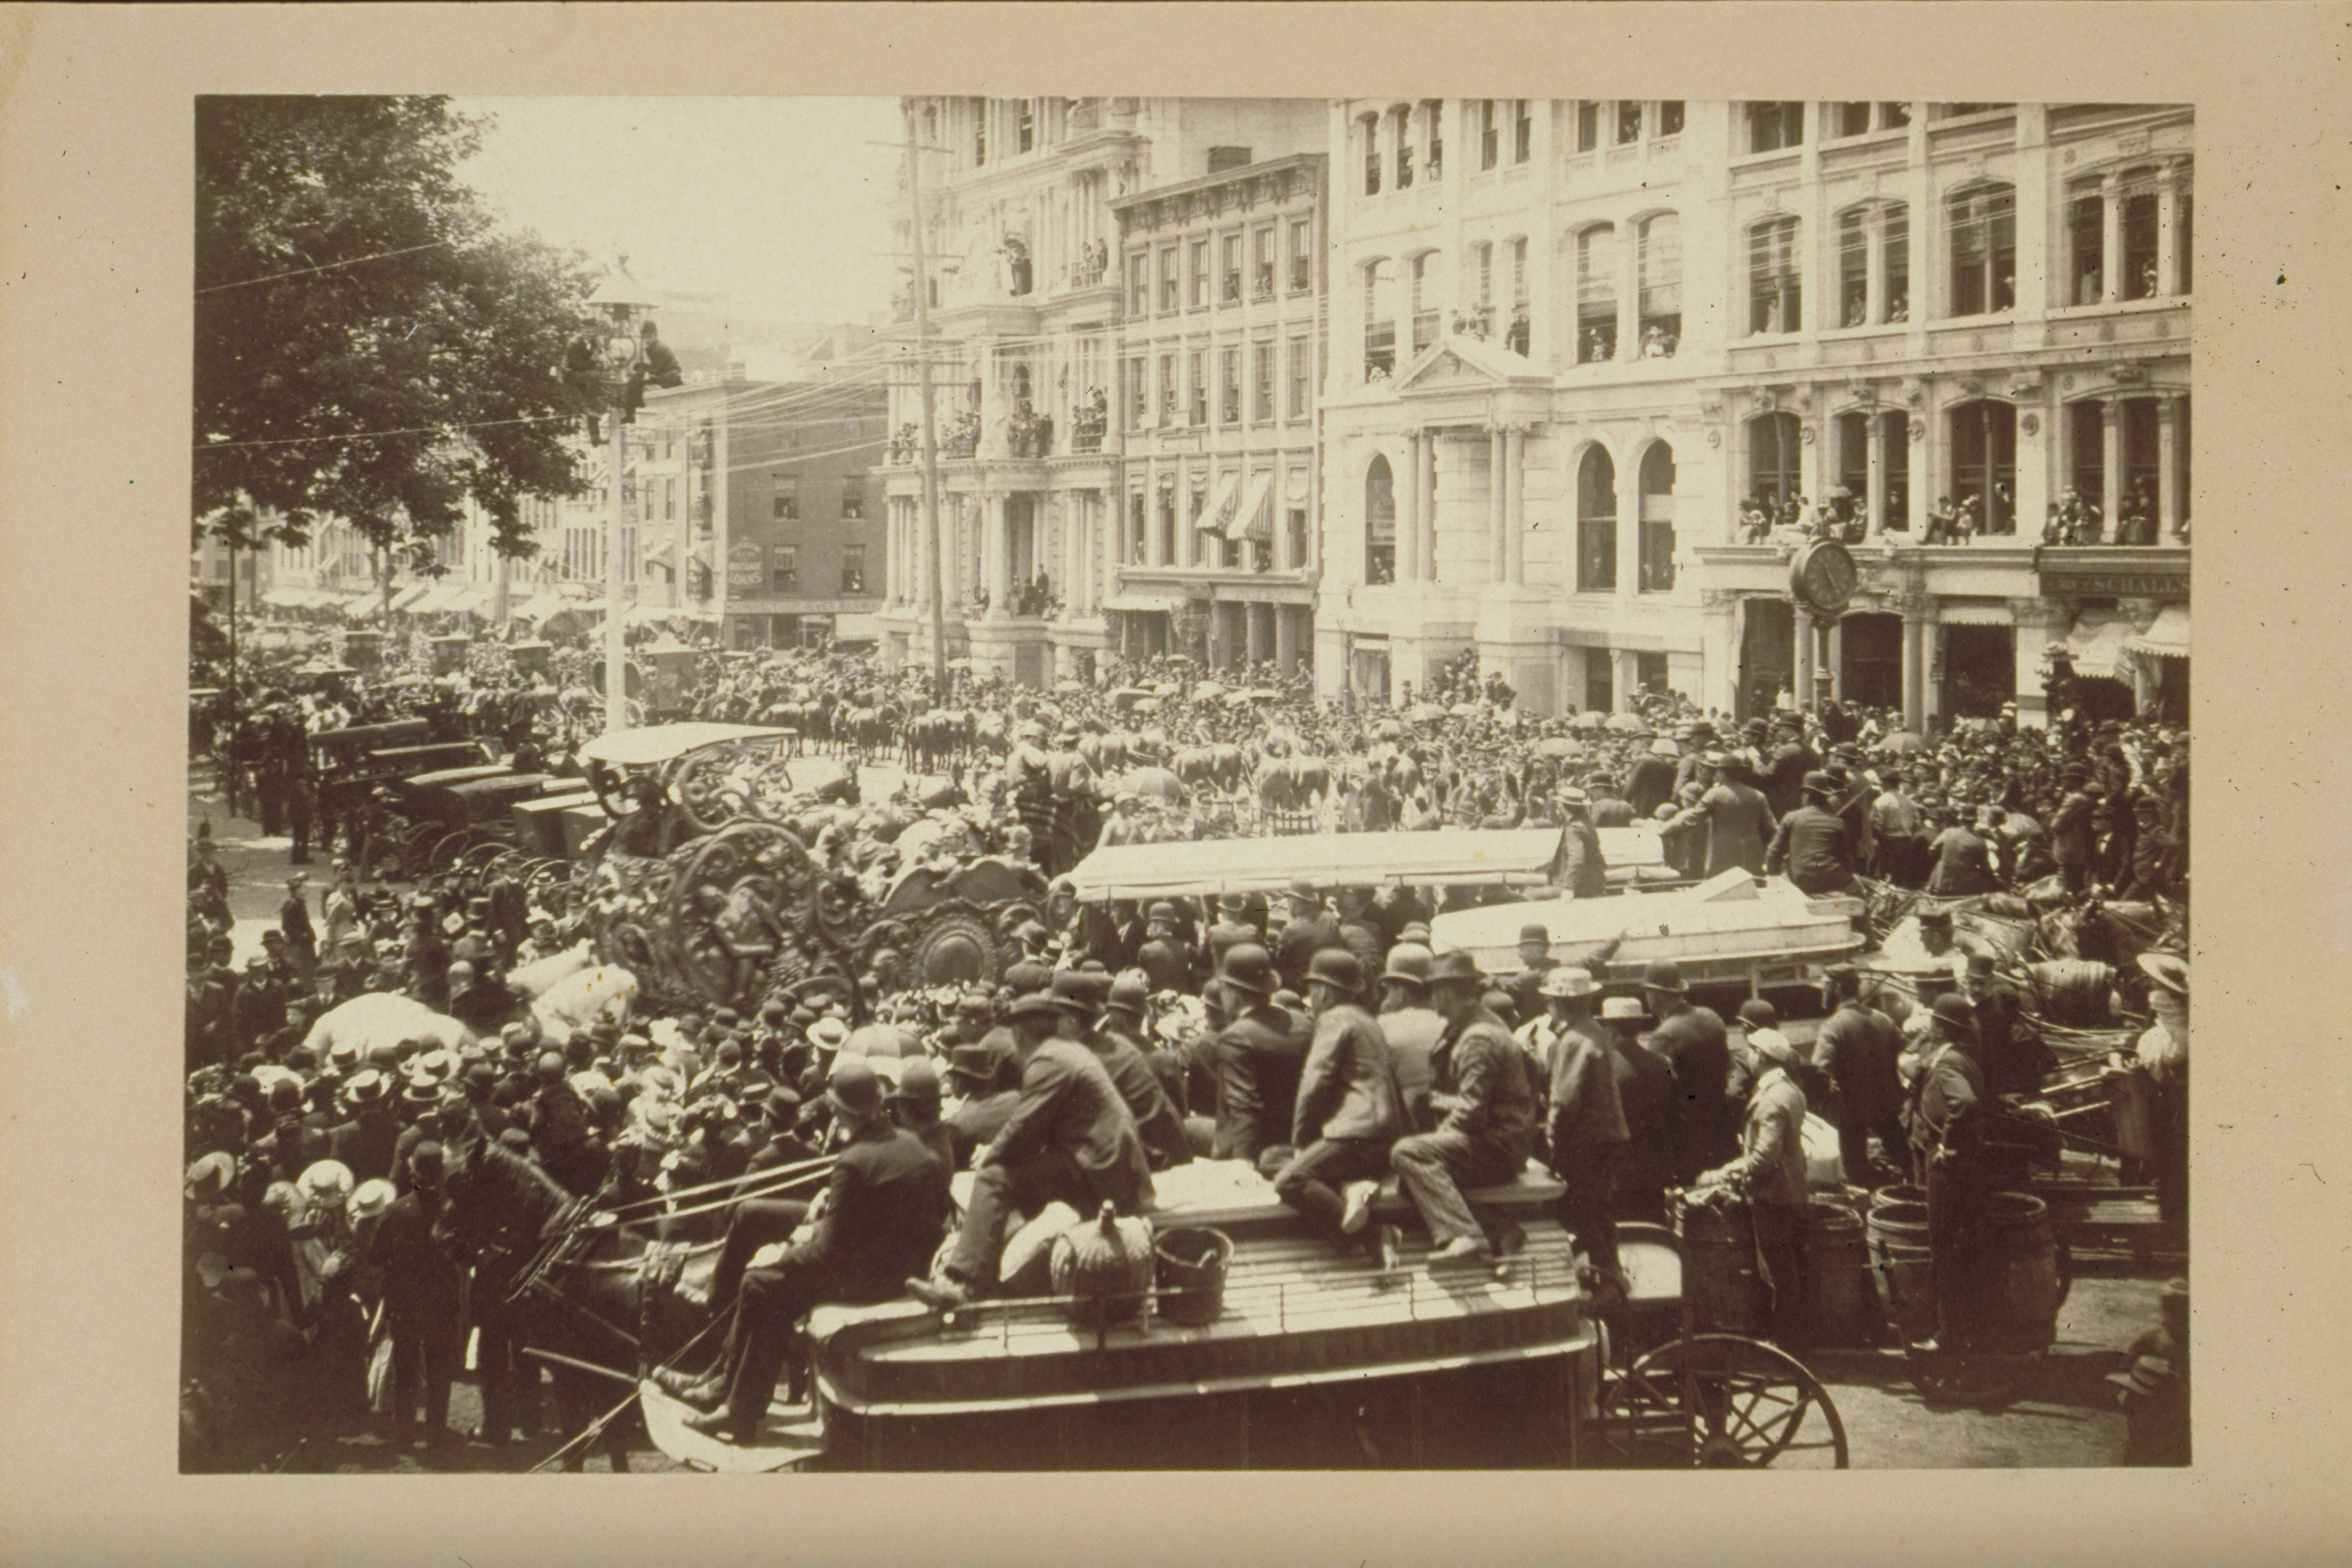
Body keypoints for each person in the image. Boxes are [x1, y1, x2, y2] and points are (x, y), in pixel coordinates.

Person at [676, 1056, 952, 1442]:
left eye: (835, 1108)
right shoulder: (912, 1145)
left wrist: (781, 1253)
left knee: (760, 1282)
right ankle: (722, 1381)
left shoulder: (854, 1161)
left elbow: (826, 1254)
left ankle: (738, 1410)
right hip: (899, 1265)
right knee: (758, 1228)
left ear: (843, 1111)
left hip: (871, 1279)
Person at [910, 991, 1152, 1309]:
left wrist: (989, 1158)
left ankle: (963, 1283)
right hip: (1108, 1167)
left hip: (1098, 1169)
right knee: (1019, 1180)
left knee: (994, 1178)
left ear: (1020, 1035)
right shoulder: (1068, 1051)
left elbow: (1022, 1126)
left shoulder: (1047, 1060)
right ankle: (984, 1271)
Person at [1389, 952, 1540, 1269]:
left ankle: (1462, 1237)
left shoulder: (1477, 1037)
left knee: (1408, 1154)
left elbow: (1471, 1113)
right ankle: (1500, 1230)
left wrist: (1432, 1142)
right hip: (1502, 1140)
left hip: (1498, 1146)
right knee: (1411, 1178)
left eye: (1433, 990)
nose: (1430, 998)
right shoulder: (1474, 1024)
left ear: (1446, 992)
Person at [1273, 950, 1406, 1268]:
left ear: (1323, 990)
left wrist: (1301, 1140)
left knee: (1290, 1179)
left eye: (1312, 987)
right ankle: (1353, 1188)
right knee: (1272, 1158)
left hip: (1357, 1132)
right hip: (1383, 1135)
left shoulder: (1333, 1019)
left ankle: (1373, 1236)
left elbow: (1315, 1081)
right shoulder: (1367, 1020)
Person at [1697, 1031, 1811, 1351]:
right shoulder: (1791, 1089)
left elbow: (1765, 1156)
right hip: (1791, 1189)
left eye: (1750, 1050)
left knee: (1776, 1270)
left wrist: (1728, 1170)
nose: (1746, 1056)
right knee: (1787, 1266)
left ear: (1761, 1056)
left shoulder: (1772, 1099)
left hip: (1773, 1195)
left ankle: (1787, 1343)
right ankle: (1792, 1337)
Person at [1906, 992, 1991, 1351]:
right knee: (1960, 1243)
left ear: (1940, 1029)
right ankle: (1967, 1328)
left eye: (1933, 1022)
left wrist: (1947, 1144)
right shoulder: (1961, 1057)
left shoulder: (1947, 1066)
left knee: (1943, 1245)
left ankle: (1947, 1334)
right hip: (1966, 1162)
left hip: (1947, 1167)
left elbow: (1965, 1102)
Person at [1532, 966, 1626, 1275]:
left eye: (1550, 1001)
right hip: (1605, 1136)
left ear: (1560, 1004)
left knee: (1578, 1211)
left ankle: (1606, 1276)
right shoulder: (1594, 1032)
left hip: (1584, 1140)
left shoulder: (1572, 1040)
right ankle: (1611, 1273)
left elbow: (1564, 1099)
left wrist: (1552, 1140)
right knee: (1600, 1210)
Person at [1208, 942, 1310, 1165]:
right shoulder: (1302, 1023)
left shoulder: (1235, 1036)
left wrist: (1242, 1166)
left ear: (1233, 993)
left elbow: (1244, 1107)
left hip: (1257, 1150)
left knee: (1189, 1128)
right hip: (1299, 1141)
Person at [1811, 966, 1907, 1188]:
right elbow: (1906, 1049)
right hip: (1887, 1106)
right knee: (1903, 1158)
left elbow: (1819, 1070)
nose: (1822, 991)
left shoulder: (1833, 1026)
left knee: (1856, 1173)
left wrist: (1827, 1103)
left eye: (1825, 986)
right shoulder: (1882, 1019)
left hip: (1851, 1111)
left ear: (1837, 988)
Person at [1642, 959, 1736, 1184]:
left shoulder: (1663, 1036)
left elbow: (1658, 1094)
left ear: (1655, 995)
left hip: (1688, 1139)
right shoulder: (1711, 1017)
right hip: (1723, 1126)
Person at [1599, 995, 1679, 1223]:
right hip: (1655, 1171)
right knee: (1654, 1234)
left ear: (1610, 1031)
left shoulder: (1604, 1068)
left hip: (1617, 1173)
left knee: (1622, 1234)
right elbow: (1674, 1116)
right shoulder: (1663, 1064)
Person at [1669, 753, 1775, 878]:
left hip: (1723, 851)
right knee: (1752, 884)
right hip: (1752, 850)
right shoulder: (1758, 795)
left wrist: (1665, 829)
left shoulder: (1714, 794)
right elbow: (1772, 825)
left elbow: (1693, 818)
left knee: (1722, 884)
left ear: (1722, 773)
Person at [1375, 942, 1444, 1131]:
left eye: (1389, 989)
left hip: (1407, 1133)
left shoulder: (1383, 1026)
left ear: (1401, 991)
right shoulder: (1452, 1022)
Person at [1764, 771, 1861, 895]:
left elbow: (1773, 853)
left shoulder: (1791, 817)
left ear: (1806, 796)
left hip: (1801, 878)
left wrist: (1773, 882)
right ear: (1826, 797)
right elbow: (1846, 861)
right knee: (1859, 892)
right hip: (1831, 877)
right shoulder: (1838, 822)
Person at [1557, 789, 1609, 898]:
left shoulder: (1574, 828)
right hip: (1594, 884)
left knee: (1530, 895)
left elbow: (1577, 859)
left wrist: (1568, 887)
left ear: (1564, 808)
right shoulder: (1587, 823)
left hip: (1579, 888)